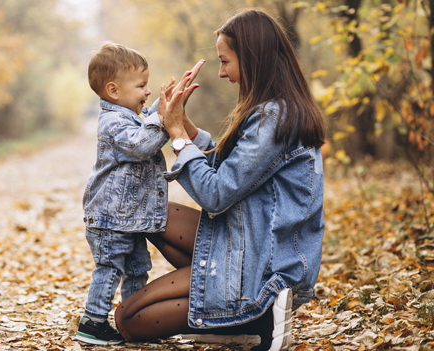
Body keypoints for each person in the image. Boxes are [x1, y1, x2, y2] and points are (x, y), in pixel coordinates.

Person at [115, 9, 326, 351]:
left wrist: (178, 134)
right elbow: (231, 169)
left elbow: (215, 193)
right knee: (147, 210)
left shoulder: (275, 116)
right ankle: (240, 325)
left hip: (262, 269)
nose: (222, 72)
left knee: (128, 320)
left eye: (225, 61)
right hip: (247, 245)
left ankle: (257, 315)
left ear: (252, 57)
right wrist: (183, 125)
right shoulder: (275, 110)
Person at [77, 42, 179, 345]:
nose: (146, 92)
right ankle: (93, 322)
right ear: (113, 91)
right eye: (141, 85)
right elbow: (141, 145)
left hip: (129, 218)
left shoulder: (132, 116)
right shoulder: (113, 122)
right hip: (111, 218)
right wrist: (162, 120)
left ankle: (135, 322)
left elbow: (147, 123)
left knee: (138, 268)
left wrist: (164, 107)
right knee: (110, 269)